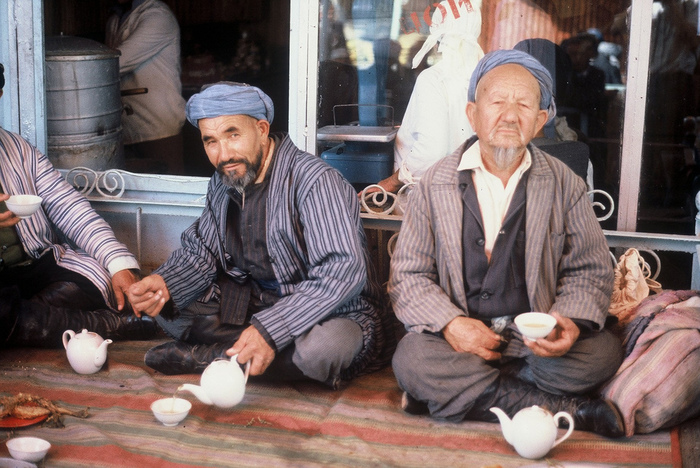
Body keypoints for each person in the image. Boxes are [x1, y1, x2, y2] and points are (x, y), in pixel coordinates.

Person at [389, 50, 626, 438]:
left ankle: (453, 396)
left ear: (540, 121)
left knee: (601, 354)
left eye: (524, 105)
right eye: (497, 102)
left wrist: (566, 320)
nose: (510, 116)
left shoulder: (565, 184)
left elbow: (590, 268)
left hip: (532, 342)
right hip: (459, 340)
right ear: (472, 113)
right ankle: (567, 409)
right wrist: (451, 325)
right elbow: (409, 275)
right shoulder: (434, 183)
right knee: (413, 359)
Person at [126, 82, 390, 387]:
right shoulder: (224, 180)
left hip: (332, 311)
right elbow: (203, 253)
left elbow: (343, 273)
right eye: (210, 141)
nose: (223, 154)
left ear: (262, 129)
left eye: (233, 135)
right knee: (166, 305)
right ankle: (259, 354)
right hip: (256, 303)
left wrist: (270, 330)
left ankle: (210, 359)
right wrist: (164, 283)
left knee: (324, 350)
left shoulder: (316, 182)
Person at [0, 63, 156, 349]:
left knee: (98, 277)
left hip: (34, 266)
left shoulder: (18, 150)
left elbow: (70, 207)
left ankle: (24, 321)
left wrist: (117, 263)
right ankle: (109, 325)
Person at [372, 0, 483, 193]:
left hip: (428, 201)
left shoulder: (433, 79)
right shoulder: (486, 76)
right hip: (470, 197)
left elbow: (429, 152)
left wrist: (391, 182)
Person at [106, 0, 186, 174]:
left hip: (158, 128)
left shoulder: (157, 16)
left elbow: (117, 62)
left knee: (168, 189)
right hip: (126, 128)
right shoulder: (114, 20)